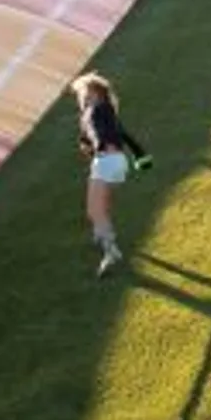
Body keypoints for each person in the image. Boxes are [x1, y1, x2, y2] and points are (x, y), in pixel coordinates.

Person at [72, 73, 151, 275]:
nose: (82, 96)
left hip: (106, 162)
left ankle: (110, 250)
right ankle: (102, 234)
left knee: (94, 210)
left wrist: (95, 142)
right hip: (117, 162)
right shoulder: (101, 111)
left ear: (96, 92)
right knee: (102, 207)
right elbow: (123, 135)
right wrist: (141, 157)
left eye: (85, 92)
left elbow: (98, 134)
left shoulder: (100, 109)